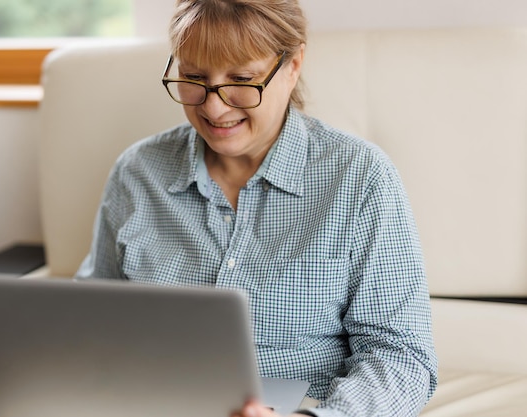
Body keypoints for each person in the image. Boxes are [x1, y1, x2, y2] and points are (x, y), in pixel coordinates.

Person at [76, 0, 438, 415]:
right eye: (194, 77)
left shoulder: (359, 177)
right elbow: (90, 319)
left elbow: (403, 356)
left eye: (242, 79)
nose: (214, 107)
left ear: (293, 64)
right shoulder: (137, 171)